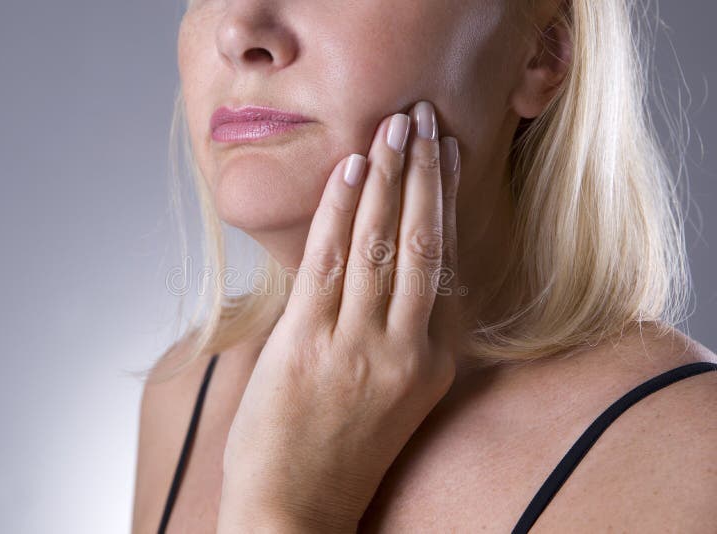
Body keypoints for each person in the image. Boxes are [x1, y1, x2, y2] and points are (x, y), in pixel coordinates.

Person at [131, 0, 717, 532]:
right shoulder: (183, 395)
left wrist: (284, 513)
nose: (238, 31)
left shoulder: (695, 457)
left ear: (541, 53)